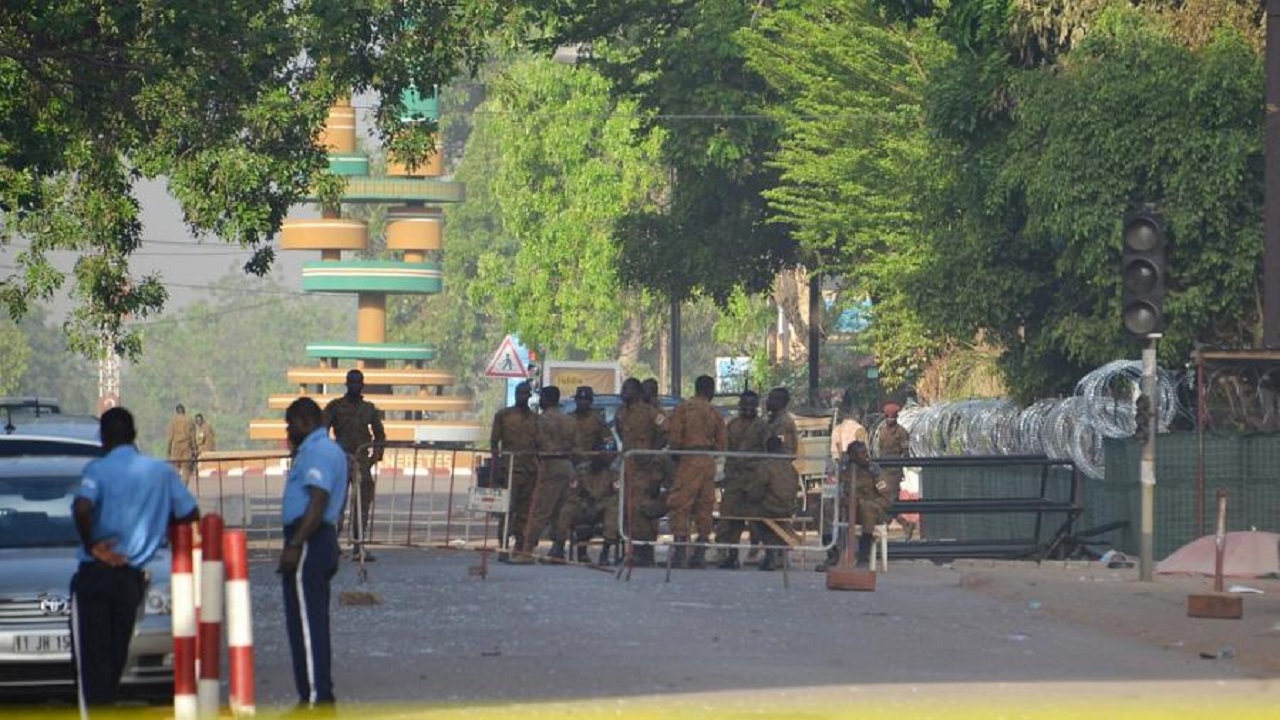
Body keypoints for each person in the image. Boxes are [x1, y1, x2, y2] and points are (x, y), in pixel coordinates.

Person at [71, 407, 199, 710]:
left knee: (92, 661)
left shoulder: (97, 470)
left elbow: (82, 507)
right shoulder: (160, 473)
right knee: (116, 655)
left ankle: (97, 711)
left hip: (96, 573)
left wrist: (93, 546)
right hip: (131, 578)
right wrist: (162, 525)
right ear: (134, 435)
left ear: (103, 438)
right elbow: (189, 512)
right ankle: (106, 706)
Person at [278, 397, 348, 710]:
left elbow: (318, 500)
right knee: (312, 620)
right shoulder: (323, 449)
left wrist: (295, 544)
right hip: (318, 537)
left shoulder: (318, 451)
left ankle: (315, 699)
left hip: (308, 539)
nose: (288, 431)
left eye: (291, 425)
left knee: (305, 624)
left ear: (305, 421)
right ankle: (316, 692)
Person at [323, 369, 386, 560]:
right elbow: (321, 430)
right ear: (346, 384)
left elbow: (380, 435)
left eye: (357, 383)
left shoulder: (369, 409)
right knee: (336, 505)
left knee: (362, 505)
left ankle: (359, 545)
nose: (354, 386)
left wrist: (376, 455)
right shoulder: (335, 407)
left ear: (362, 385)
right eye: (351, 382)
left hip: (361, 463)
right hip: (340, 461)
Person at [664, 375, 727, 568]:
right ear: (711, 391)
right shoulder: (715, 413)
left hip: (688, 459)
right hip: (707, 461)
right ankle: (700, 552)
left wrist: (677, 455)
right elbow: (722, 444)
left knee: (680, 503)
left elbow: (674, 439)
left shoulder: (683, 409)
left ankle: (680, 552)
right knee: (705, 506)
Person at [510, 386, 576, 564]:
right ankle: (558, 550)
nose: (539, 401)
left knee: (539, 510)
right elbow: (576, 445)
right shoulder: (570, 420)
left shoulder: (540, 420)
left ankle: (527, 550)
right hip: (568, 465)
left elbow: (533, 443)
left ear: (547, 399)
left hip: (548, 465)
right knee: (561, 510)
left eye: (542, 398)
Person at [614, 377, 666, 567]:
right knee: (627, 508)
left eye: (627, 389)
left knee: (642, 508)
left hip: (645, 469)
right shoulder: (620, 413)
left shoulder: (650, 412)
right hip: (628, 467)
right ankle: (632, 551)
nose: (623, 392)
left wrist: (652, 451)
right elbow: (621, 434)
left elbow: (665, 430)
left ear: (636, 392)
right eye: (622, 389)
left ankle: (645, 553)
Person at [714, 390, 769, 569]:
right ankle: (730, 555)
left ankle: (761, 553)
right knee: (729, 517)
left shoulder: (762, 427)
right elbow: (726, 448)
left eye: (751, 404)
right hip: (735, 478)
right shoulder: (732, 425)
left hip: (754, 478)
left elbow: (767, 452)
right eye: (744, 404)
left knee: (756, 520)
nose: (747, 408)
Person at [489, 381, 539, 557]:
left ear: (529, 396)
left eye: (526, 394)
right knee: (507, 509)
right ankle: (503, 546)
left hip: (530, 471)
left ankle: (520, 545)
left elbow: (539, 444)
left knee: (525, 511)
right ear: (516, 395)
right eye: (520, 394)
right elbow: (494, 442)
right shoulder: (503, 415)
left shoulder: (535, 419)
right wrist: (496, 466)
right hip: (509, 470)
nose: (522, 397)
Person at [563, 386, 612, 562]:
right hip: (571, 468)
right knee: (572, 507)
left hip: (592, 470)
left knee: (592, 506)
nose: (582, 402)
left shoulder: (597, 420)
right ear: (576, 400)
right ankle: (566, 548)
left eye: (586, 400)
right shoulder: (568, 419)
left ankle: (589, 552)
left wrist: (603, 459)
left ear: (591, 402)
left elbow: (608, 442)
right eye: (580, 399)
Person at [750, 435, 801, 572]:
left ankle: (770, 554)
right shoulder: (790, 467)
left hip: (771, 509)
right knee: (778, 524)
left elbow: (756, 491)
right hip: (789, 508)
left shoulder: (766, 466)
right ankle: (780, 554)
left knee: (755, 518)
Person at [844, 439, 889, 568]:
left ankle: (864, 555)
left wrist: (866, 502)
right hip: (850, 510)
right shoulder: (844, 471)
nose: (866, 456)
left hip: (873, 512)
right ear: (853, 456)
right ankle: (833, 554)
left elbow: (886, 498)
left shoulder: (874, 470)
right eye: (862, 453)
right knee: (825, 507)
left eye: (866, 452)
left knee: (867, 508)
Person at [875, 402, 916, 540]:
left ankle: (887, 525)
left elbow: (906, 451)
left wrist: (903, 464)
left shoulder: (902, 432)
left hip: (894, 471)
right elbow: (880, 449)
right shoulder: (882, 431)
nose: (889, 419)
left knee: (890, 499)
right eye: (887, 417)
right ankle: (904, 524)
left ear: (896, 417)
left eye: (892, 417)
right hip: (883, 469)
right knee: (885, 498)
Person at [165, 403, 198, 485]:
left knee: (175, 468)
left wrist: (168, 450)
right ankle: (184, 487)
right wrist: (194, 449)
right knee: (186, 469)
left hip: (176, 448)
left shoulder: (173, 421)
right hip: (187, 447)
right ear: (184, 411)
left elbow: (170, 437)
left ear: (176, 412)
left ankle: (177, 487)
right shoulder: (190, 421)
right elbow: (193, 437)